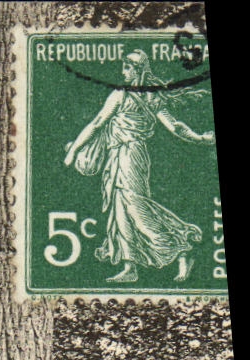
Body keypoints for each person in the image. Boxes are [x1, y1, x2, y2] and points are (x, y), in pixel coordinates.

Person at [64, 49, 215, 283]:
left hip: (131, 155)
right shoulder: (143, 95)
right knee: (120, 209)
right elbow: (173, 125)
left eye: (127, 68)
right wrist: (199, 138)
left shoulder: (128, 95)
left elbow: (97, 123)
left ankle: (181, 248)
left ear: (138, 70)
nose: (123, 72)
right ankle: (130, 266)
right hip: (118, 155)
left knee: (135, 207)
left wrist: (74, 150)